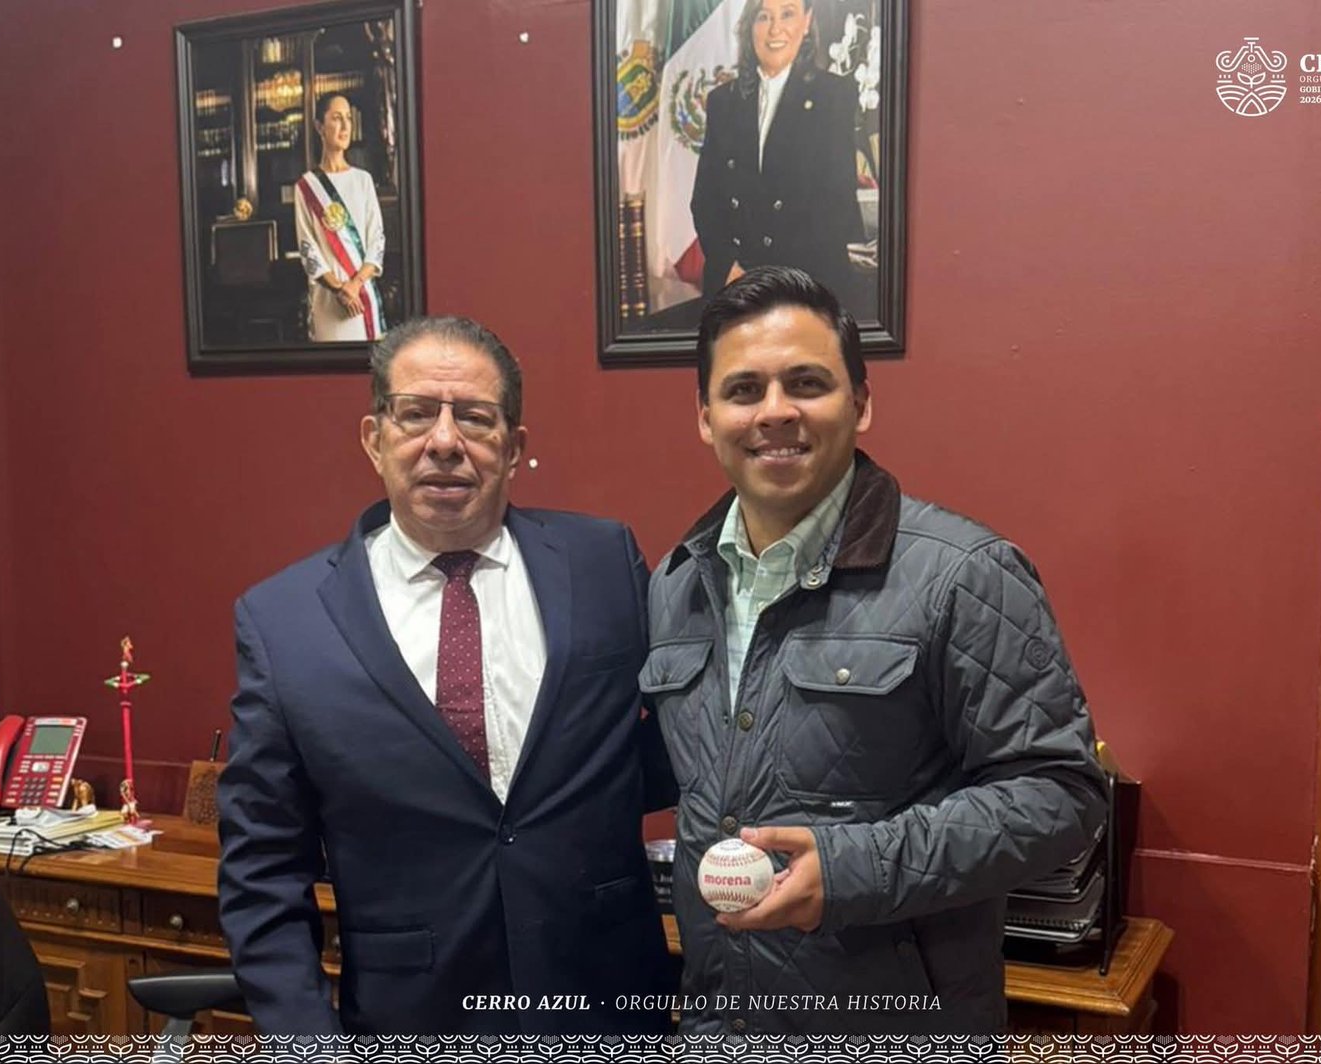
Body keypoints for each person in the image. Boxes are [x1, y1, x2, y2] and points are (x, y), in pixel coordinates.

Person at [643, 266, 1107, 1034]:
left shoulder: (965, 574)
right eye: (744, 390)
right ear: (705, 417)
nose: (775, 411)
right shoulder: (676, 584)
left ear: (861, 403)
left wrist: (854, 869)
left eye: (806, 383)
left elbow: (1060, 795)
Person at [218, 316, 675, 1034]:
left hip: (606, 1006)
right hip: (413, 1020)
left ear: (514, 447)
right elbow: (262, 871)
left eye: (475, 417)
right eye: (416, 413)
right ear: (374, 438)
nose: (444, 441)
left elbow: (669, 745)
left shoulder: (603, 564)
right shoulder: (286, 623)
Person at [690, 0, 867, 313]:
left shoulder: (834, 95)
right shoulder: (723, 101)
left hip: (809, 287)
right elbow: (705, 200)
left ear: (806, 21)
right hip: (735, 282)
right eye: (764, 17)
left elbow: (836, 205)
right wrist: (729, 267)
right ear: (750, 26)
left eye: (787, 14)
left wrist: (777, 283)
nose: (775, 29)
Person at [294, 92, 386, 342]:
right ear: (319, 127)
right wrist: (339, 288)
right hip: (328, 303)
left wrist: (355, 285)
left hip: (362, 298)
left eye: (348, 118)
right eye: (336, 118)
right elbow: (308, 249)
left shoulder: (363, 180)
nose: (345, 126)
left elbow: (377, 240)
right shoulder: (306, 186)